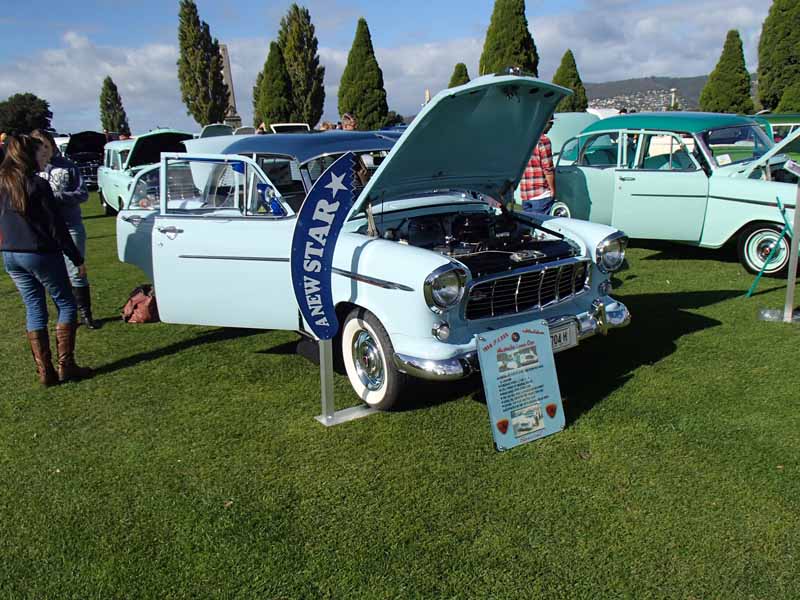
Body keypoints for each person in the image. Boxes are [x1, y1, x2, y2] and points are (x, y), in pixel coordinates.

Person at [0, 134, 93, 385]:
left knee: (34, 307)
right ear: (28, 157)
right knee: (66, 304)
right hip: (39, 253)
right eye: (39, 153)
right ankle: (66, 366)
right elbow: (57, 227)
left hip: (11, 254)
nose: (43, 157)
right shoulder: (37, 184)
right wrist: (76, 258)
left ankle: (45, 372)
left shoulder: (3, 182)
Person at [31, 129, 99, 329]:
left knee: (77, 270)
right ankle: (68, 316)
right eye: (39, 147)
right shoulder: (33, 171)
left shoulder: (68, 166)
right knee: (55, 274)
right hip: (46, 229)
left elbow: (82, 193)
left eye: (46, 145)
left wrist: (58, 196)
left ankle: (86, 314)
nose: (44, 150)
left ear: (52, 145)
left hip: (70, 225)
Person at [519, 118, 556, 214]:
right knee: (541, 222)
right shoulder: (544, 140)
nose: (552, 126)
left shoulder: (522, 140)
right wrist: (553, 190)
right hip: (541, 193)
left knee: (528, 223)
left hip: (525, 194)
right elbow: (548, 169)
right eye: (551, 123)